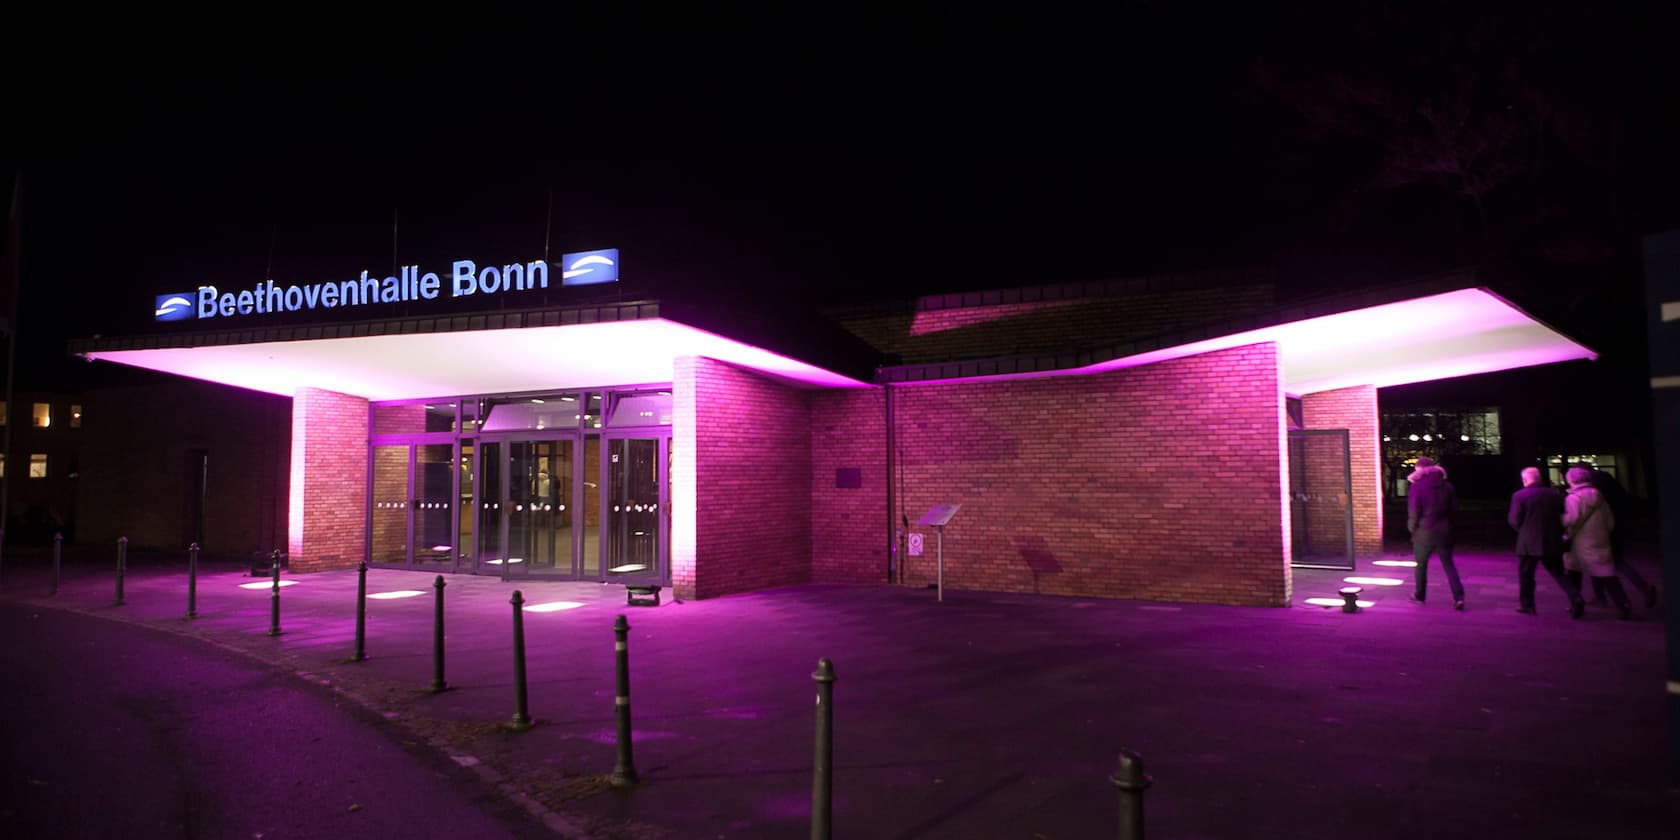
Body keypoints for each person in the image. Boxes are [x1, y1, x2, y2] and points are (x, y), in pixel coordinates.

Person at [1507, 466, 1584, 617]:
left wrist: (1523, 530)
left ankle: (1527, 605)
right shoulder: (1554, 494)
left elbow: (1514, 520)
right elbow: (1563, 515)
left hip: (1528, 542)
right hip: (1552, 540)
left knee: (1526, 575)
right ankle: (1576, 597)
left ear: (1525, 480)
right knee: (1559, 573)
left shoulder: (1519, 496)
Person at [1562, 465, 1631, 620]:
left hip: (1579, 544)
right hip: (1600, 541)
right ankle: (1624, 604)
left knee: (1574, 573)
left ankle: (1576, 602)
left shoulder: (1573, 498)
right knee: (1607, 575)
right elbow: (1610, 523)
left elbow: (1572, 520)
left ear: (1571, 480)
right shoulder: (1600, 497)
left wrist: (1562, 520)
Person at [1586, 466, 1659, 609]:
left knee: (1601, 561)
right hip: (1617, 527)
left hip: (1603, 530)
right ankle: (1601, 595)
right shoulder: (1611, 485)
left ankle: (1639, 588)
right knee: (1613, 560)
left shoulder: (1595, 490)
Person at [1407, 456, 1464, 610]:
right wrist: (1451, 527)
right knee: (1449, 565)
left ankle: (1420, 595)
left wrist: (1412, 528)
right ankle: (1459, 598)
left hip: (1423, 533)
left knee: (1421, 565)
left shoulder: (1417, 486)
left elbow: (1414, 511)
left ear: (1420, 469)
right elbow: (1454, 511)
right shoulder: (1447, 486)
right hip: (1444, 533)